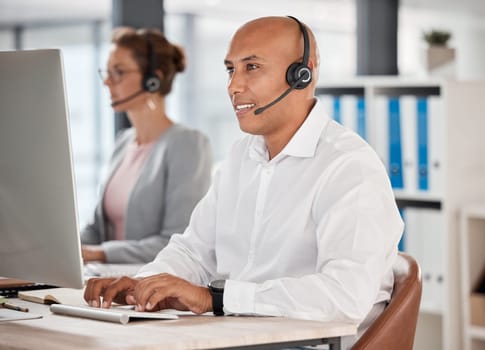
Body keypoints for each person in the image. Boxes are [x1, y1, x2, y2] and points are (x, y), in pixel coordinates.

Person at [84, 16, 403, 346]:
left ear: (303, 73)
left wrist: (217, 299)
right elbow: (194, 251)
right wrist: (143, 285)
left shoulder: (349, 167)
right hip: (238, 339)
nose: (233, 86)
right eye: (230, 69)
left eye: (252, 67)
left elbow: (345, 297)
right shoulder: (240, 157)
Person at [81, 27, 213, 264]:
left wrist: (99, 254)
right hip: (105, 280)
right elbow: (96, 230)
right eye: (107, 72)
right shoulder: (123, 142)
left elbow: (177, 241)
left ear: (154, 80)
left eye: (118, 72)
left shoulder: (188, 144)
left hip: (151, 286)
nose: (107, 82)